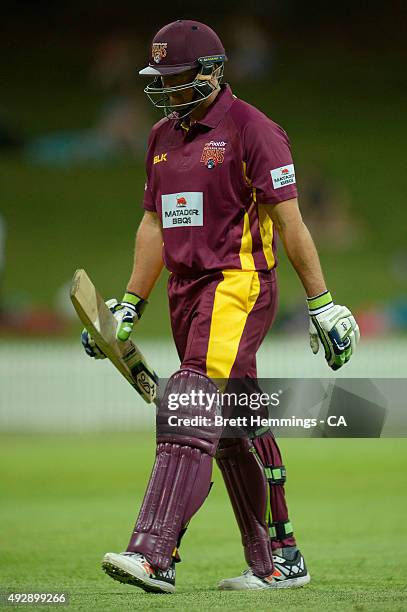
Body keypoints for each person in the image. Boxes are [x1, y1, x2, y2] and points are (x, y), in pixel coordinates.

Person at [81, 19, 360, 594]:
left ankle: (155, 554)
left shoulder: (252, 129)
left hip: (238, 283)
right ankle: (279, 560)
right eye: (158, 76)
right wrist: (131, 304)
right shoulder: (161, 136)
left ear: (210, 74)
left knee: (188, 402)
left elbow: (290, 222)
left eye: (175, 76)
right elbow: (155, 224)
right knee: (236, 428)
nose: (163, 87)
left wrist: (323, 303)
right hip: (188, 293)